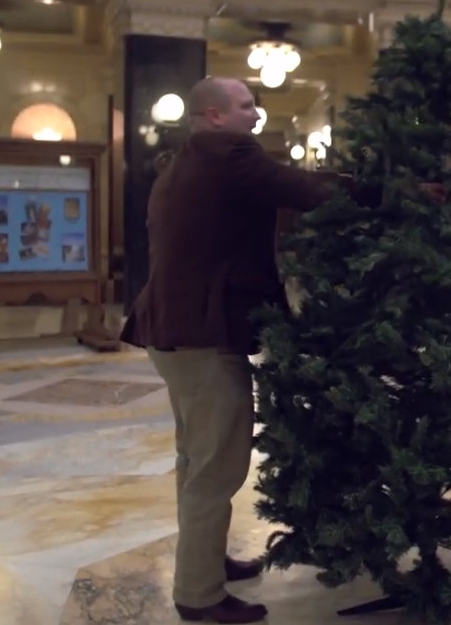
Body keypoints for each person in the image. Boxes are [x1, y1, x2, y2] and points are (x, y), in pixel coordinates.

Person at [120, 77, 335, 624]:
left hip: (171, 329)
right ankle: (199, 595)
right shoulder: (228, 151)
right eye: (245, 106)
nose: (255, 114)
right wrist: (387, 192)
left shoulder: (187, 159)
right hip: (202, 335)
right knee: (216, 468)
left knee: (195, 460)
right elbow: (303, 190)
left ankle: (205, 563)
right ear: (214, 115)